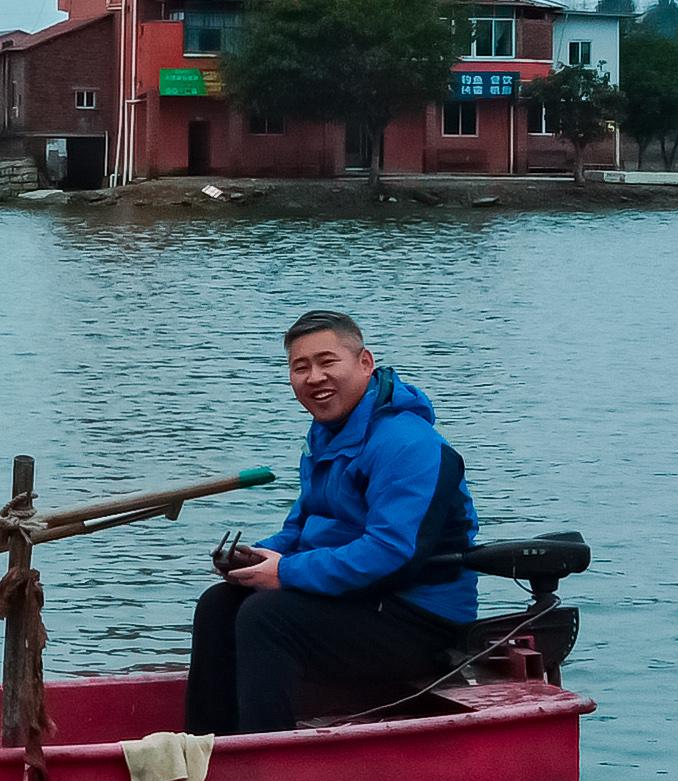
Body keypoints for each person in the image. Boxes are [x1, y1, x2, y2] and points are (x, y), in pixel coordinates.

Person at [184, 310, 483, 736]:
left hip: (420, 621)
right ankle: (207, 747)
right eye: (300, 367)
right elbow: (302, 528)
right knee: (220, 604)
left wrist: (285, 573)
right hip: (359, 600)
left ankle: (264, 761)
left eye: (327, 362)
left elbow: (393, 554)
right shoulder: (327, 435)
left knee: (266, 616)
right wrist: (255, 558)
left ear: (365, 363)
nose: (314, 377)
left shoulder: (407, 444)